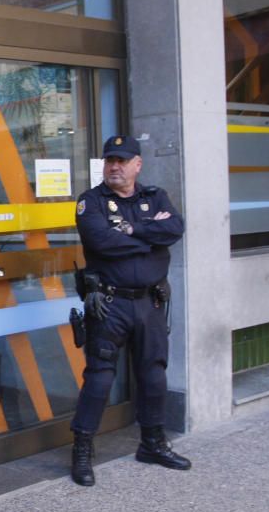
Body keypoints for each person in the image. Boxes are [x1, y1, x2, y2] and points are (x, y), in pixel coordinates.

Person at [70, 135, 192, 486]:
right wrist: (150, 238)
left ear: (137, 165)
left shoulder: (155, 196)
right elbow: (102, 242)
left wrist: (134, 228)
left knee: (154, 373)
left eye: (123, 160)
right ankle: (82, 449)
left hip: (150, 301)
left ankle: (152, 444)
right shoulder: (90, 201)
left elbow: (176, 228)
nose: (115, 166)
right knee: (100, 377)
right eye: (110, 160)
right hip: (109, 304)